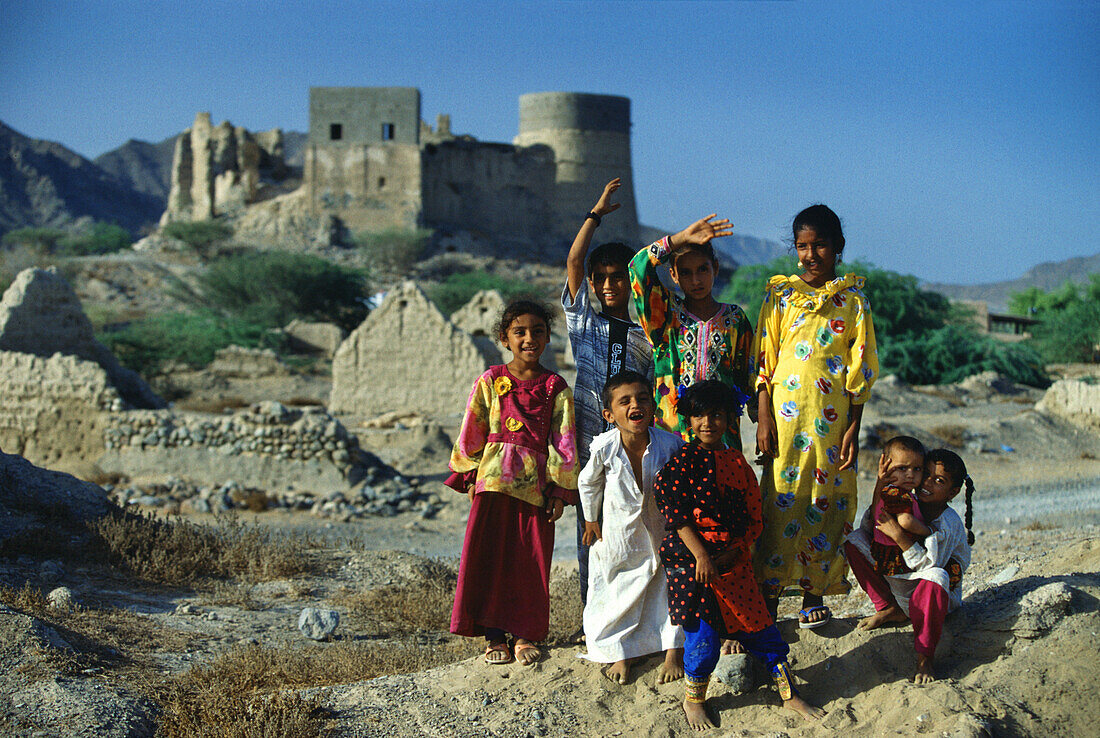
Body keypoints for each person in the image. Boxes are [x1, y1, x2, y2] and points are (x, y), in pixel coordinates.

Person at [654, 381, 824, 730]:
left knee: (764, 633)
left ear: (729, 419)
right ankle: (693, 701)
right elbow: (676, 515)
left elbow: (753, 515)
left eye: (716, 415)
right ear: (688, 419)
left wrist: (736, 550)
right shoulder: (681, 464)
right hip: (694, 569)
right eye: (699, 415)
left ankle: (789, 695)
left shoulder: (737, 462)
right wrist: (702, 556)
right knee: (702, 643)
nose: (707, 423)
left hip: (735, 565)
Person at [752, 204, 879, 629]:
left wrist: (854, 425)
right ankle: (768, 597)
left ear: (838, 247)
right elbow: (765, 358)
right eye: (802, 246)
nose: (810, 255)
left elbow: (861, 365)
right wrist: (764, 418)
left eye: (819, 245)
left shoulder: (854, 300)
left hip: (832, 423)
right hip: (786, 423)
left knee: (826, 502)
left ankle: (812, 594)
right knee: (780, 500)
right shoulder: (780, 294)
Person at [446, 299, 579, 666]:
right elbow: (471, 429)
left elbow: (563, 441)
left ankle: (523, 634)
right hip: (492, 486)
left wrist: (560, 491)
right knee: (488, 559)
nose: (529, 339)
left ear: (548, 337)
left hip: (535, 492)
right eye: (519, 332)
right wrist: (470, 475)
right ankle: (493, 635)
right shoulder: (490, 381)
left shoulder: (556, 387)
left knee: (529, 562)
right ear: (505, 338)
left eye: (537, 331)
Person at [564, 178, 655, 629]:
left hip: (633, 452)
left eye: (616, 276)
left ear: (631, 281)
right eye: (600, 279)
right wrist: (595, 214)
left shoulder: (647, 337)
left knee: (635, 533)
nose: (605, 285)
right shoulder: (584, 323)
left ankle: (636, 622)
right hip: (589, 448)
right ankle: (592, 620)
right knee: (591, 533)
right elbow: (575, 261)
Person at [578, 370, 684, 685]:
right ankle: (621, 652)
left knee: (666, 585)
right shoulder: (605, 447)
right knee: (617, 588)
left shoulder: (670, 444)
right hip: (619, 531)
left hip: (662, 527)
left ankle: (672, 651)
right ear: (609, 414)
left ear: (653, 407)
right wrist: (591, 520)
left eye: (641, 398)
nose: (634, 405)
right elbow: (588, 482)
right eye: (624, 401)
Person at [845, 449, 975, 684]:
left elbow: (930, 565)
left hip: (933, 596)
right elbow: (870, 527)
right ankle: (889, 607)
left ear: (952, 492)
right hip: (899, 583)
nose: (926, 483)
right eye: (925, 474)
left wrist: (900, 536)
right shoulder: (906, 500)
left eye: (939, 481)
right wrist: (880, 486)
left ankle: (925, 657)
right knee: (854, 540)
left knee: (937, 576)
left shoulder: (949, 522)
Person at [628, 215, 753, 447]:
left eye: (702, 269)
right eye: (685, 272)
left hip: (722, 439)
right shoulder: (664, 315)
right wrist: (681, 238)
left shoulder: (735, 320)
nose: (696, 280)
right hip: (673, 435)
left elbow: (748, 377)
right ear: (673, 276)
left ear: (715, 268)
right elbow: (637, 267)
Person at [868, 436, 930, 576]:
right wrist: (929, 531)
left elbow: (875, 509)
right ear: (886, 466)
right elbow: (906, 521)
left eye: (917, 469)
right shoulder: (897, 494)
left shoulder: (886, 492)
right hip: (899, 555)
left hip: (885, 553)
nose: (910, 475)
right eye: (902, 468)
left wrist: (880, 481)